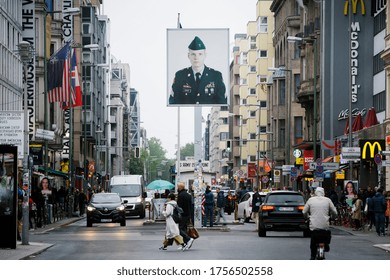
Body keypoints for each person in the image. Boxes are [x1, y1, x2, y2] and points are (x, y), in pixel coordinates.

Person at [169, 36, 227, 105]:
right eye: (193, 54)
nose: (196, 58)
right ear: (188, 56)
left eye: (200, 54)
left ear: (205, 55)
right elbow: (173, 102)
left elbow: (222, 103)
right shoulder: (180, 76)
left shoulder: (216, 76)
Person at [303, 187, 338, 260]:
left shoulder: (310, 200)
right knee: (327, 233)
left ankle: (312, 256)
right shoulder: (328, 200)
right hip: (325, 226)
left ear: (315, 193)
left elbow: (304, 212)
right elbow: (334, 212)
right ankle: (326, 245)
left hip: (314, 226)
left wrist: (307, 217)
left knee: (313, 242)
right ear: (323, 193)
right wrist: (333, 217)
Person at [177, 182, 194, 250]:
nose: (177, 188)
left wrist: (178, 214)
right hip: (188, 214)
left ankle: (188, 239)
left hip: (183, 214)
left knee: (180, 229)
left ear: (180, 188)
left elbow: (179, 206)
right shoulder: (188, 195)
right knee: (184, 228)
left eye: (178, 187)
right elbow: (191, 205)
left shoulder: (180, 195)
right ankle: (184, 243)